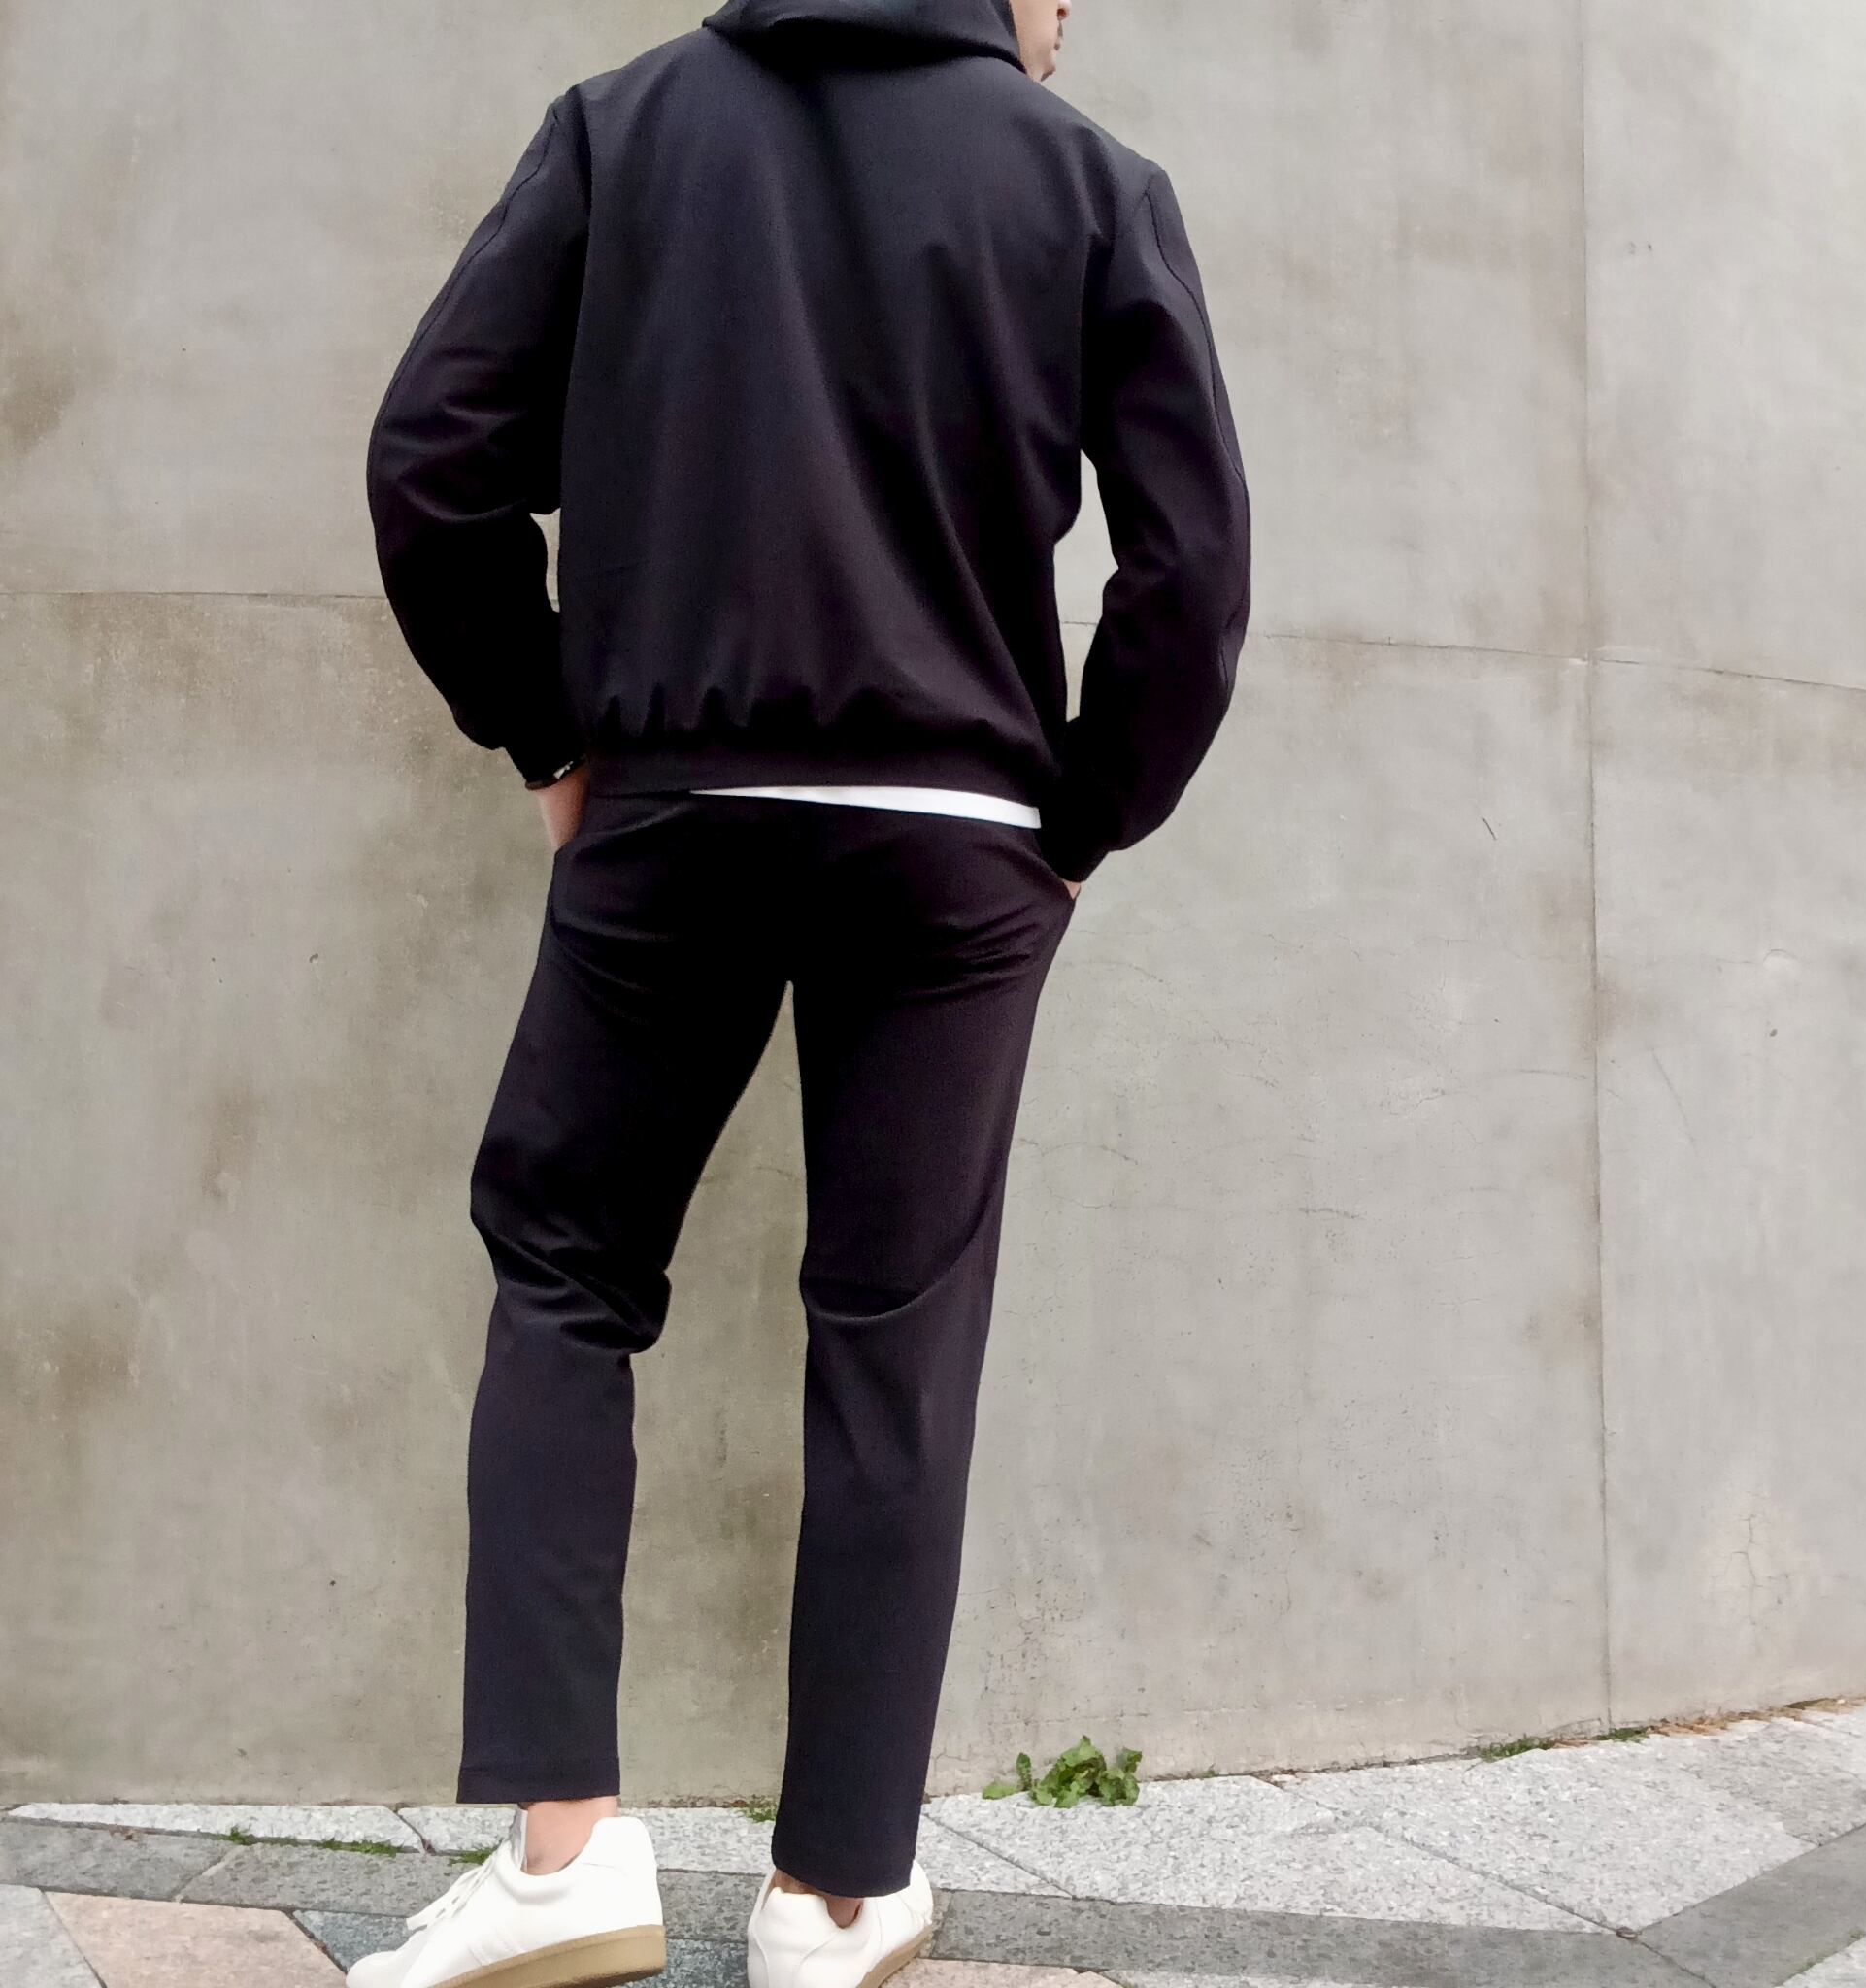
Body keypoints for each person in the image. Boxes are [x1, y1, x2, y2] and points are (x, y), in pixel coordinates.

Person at [359, 0, 1250, 1982]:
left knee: (566, 1272)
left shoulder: (625, 128)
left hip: (673, 802)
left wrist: (544, 726)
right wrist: (1081, 814)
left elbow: (434, 463)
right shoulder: (1089, 182)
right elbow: (1190, 568)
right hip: (954, 836)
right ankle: (835, 1896)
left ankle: (563, 1855)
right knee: (893, 1331)